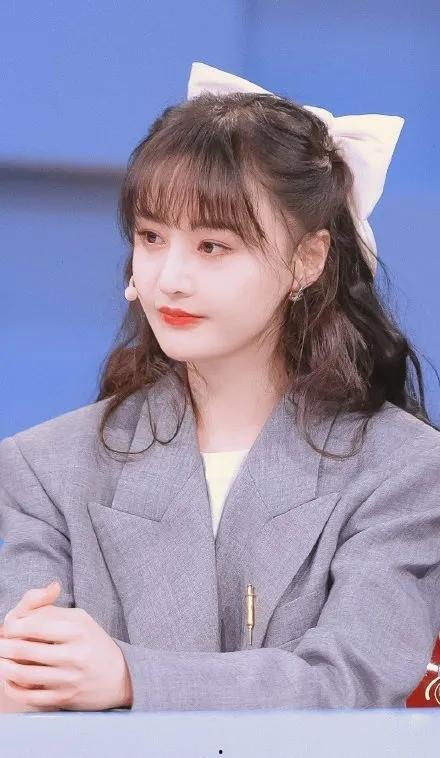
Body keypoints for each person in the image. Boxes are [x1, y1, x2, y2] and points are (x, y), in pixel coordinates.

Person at [1, 61, 440, 713]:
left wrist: (131, 678)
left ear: (307, 259)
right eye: (152, 238)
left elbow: (350, 682)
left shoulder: (403, 470)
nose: (170, 278)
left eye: (212, 246)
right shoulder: (43, 469)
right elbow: (27, 691)